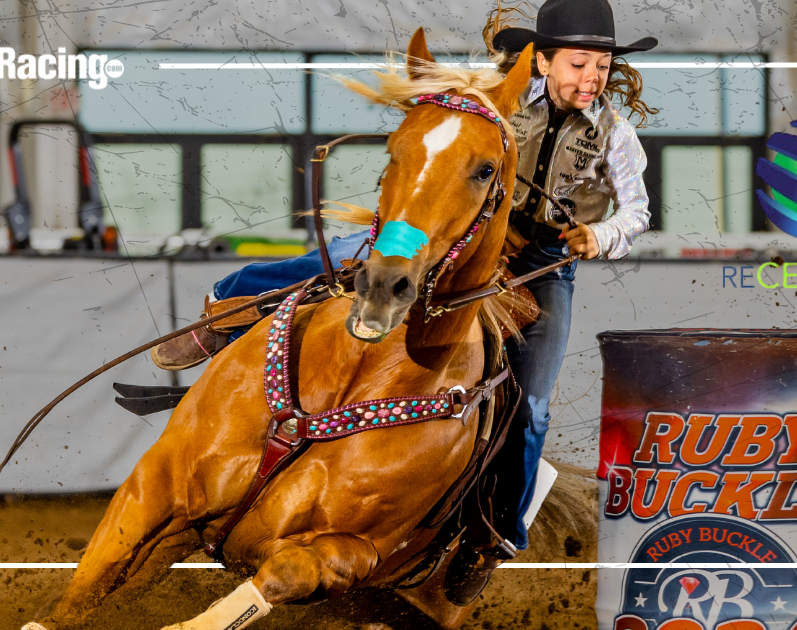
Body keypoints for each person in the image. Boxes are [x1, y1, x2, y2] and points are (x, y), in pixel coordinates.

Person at [152, 0, 656, 599]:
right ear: (541, 61)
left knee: (532, 403)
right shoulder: (495, 100)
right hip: (453, 234)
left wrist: (599, 235)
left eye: (600, 66)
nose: (590, 79)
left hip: (537, 266)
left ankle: (494, 536)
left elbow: (638, 212)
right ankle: (224, 313)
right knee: (340, 257)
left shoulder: (616, 135)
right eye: (578, 64)